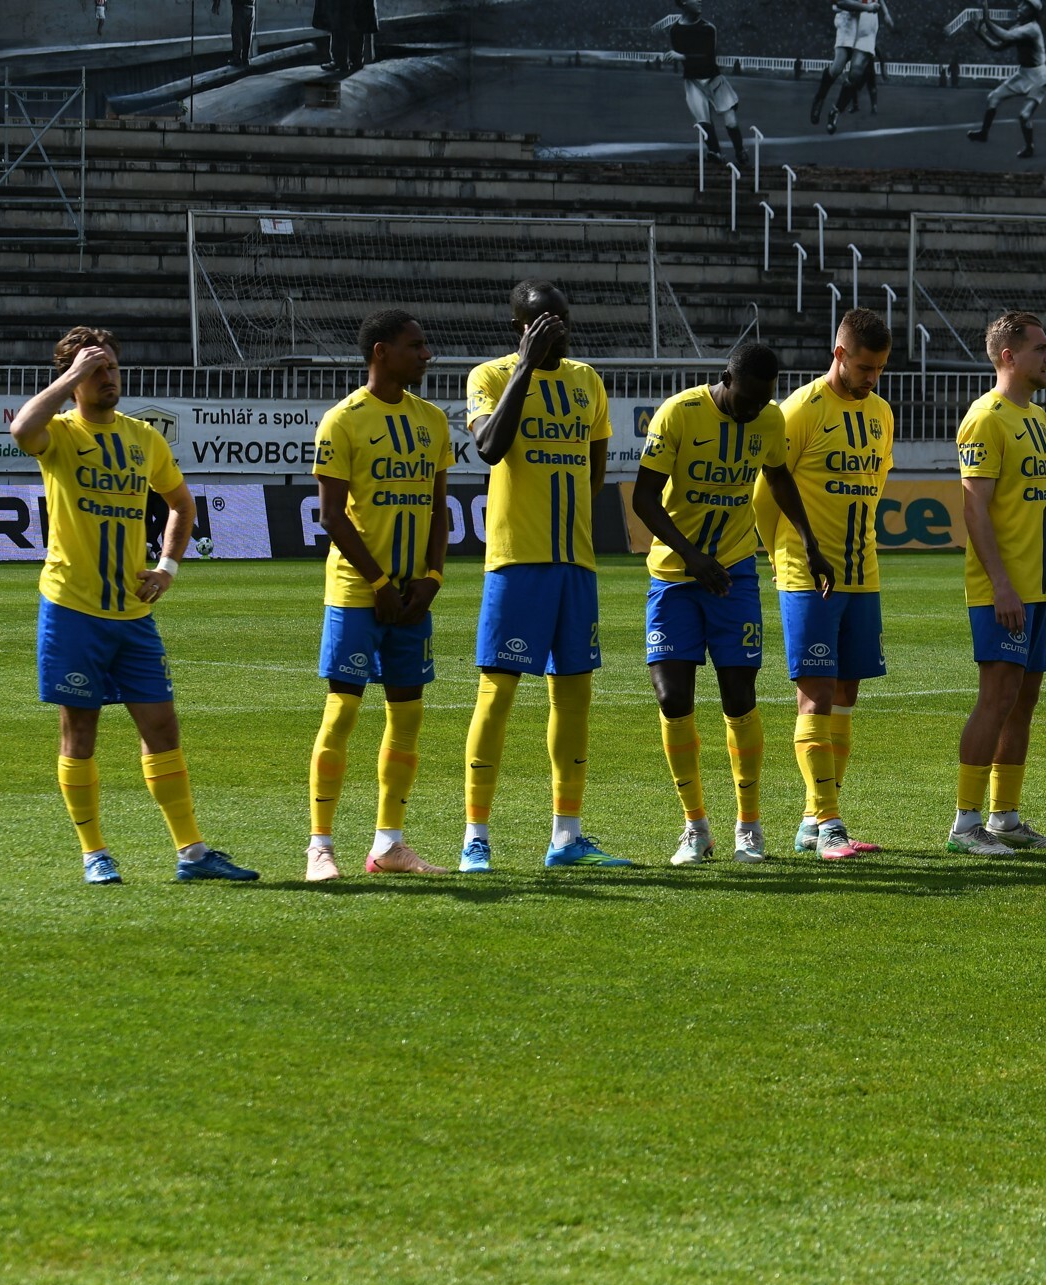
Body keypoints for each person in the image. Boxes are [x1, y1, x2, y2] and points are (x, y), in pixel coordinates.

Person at [8, 327, 259, 885]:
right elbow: (21, 429)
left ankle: (192, 854)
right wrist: (72, 375)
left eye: (112, 367)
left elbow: (181, 504)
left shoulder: (142, 437)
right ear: (73, 379)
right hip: (72, 610)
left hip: (132, 613)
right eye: (96, 369)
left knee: (162, 729)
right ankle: (94, 853)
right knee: (80, 733)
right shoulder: (61, 433)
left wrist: (168, 566)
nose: (109, 377)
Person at [632, 342, 833, 867]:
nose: (751, 411)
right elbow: (643, 498)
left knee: (739, 696)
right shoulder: (679, 413)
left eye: (762, 401)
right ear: (726, 378)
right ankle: (695, 827)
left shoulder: (768, 418)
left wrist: (809, 542)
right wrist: (692, 557)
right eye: (746, 400)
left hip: (735, 574)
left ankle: (748, 826)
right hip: (675, 575)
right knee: (672, 697)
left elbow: (779, 475)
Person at [460, 281, 634, 872]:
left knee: (574, 698)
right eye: (544, 322)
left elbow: (594, 470)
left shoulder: (588, 381)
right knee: (497, 695)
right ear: (521, 328)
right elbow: (489, 446)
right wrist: (526, 368)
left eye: (563, 319)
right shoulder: (489, 377)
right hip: (517, 561)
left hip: (575, 564)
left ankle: (566, 836)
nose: (558, 330)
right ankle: (476, 838)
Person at [304, 310, 450, 881]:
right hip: (356, 593)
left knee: (407, 717)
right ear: (381, 352)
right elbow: (331, 517)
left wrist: (432, 578)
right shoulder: (342, 421)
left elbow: (438, 507)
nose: (426, 354)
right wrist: (380, 584)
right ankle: (320, 847)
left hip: (412, 596)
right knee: (342, 712)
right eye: (416, 345)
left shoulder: (432, 421)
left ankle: (389, 844)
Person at [754, 309, 893, 860]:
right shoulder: (801, 410)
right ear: (839, 354)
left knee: (846, 696)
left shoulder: (880, 412)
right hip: (808, 575)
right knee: (815, 695)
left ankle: (814, 821)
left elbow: (876, 481)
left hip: (863, 573)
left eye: (879, 369)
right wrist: (779, 556)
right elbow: (766, 493)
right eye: (864, 367)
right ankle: (831, 825)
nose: (872, 378)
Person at [948, 310, 1046, 855]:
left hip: (1039, 587)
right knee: (996, 698)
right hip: (1002, 589)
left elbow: (1042, 503)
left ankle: (1005, 817)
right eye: (1040, 349)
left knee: (1023, 702)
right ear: (1008, 356)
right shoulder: (985, 418)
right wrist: (1001, 584)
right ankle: (965, 825)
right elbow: (974, 509)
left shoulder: (1037, 417)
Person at [657, 0, 747, 169]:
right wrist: (679, 57)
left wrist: (682, 56)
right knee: (703, 121)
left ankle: (740, 151)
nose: (700, 1)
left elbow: (707, 57)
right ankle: (715, 153)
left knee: (730, 121)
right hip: (693, 81)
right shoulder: (675, 30)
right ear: (683, 2)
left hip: (714, 79)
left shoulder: (708, 28)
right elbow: (686, 58)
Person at [967, 0, 1046, 160]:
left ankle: (1029, 147)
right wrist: (980, 34)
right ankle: (984, 133)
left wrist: (986, 18)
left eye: (1024, 5)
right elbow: (997, 46)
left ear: (1031, 12)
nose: (1019, 6)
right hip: (1024, 73)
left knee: (1024, 116)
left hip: (1039, 76)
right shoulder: (1018, 28)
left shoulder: (1032, 29)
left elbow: (1005, 35)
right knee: (993, 97)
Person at [812, 0, 885, 133]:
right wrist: (868, 7)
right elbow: (841, 2)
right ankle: (820, 98)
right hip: (849, 21)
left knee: (855, 75)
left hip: (868, 25)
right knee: (836, 69)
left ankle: (835, 111)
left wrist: (886, 12)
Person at [213, 0, 256, 66]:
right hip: (251, 7)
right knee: (247, 34)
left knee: (237, 33)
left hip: (240, 7)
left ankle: (237, 59)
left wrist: (216, 3)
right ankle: (245, 59)